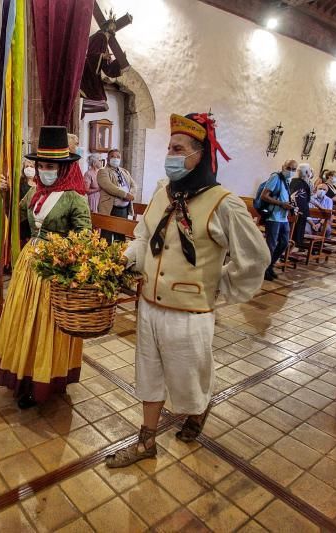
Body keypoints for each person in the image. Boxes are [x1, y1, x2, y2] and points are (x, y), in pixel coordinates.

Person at [105, 113, 269, 468]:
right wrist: (124, 260)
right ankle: (146, 442)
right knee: (149, 375)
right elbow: (145, 237)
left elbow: (254, 258)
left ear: (199, 155)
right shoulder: (163, 193)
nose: (170, 155)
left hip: (190, 313)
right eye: (169, 147)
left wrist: (220, 285)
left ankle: (199, 409)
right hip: (148, 304)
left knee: (189, 378)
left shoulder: (224, 203)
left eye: (178, 149)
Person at [0, 126, 91, 409]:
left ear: (62, 168)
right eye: (42, 165)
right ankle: (23, 375)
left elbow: (84, 237)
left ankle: (44, 379)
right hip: (28, 265)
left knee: (46, 324)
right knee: (25, 320)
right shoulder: (33, 194)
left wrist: (63, 259)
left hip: (54, 269)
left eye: (51, 166)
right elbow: (19, 222)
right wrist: (6, 195)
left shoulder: (74, 198)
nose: (45, 170)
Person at [260, 159, 296, 280]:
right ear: (283, 166)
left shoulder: (287, 180)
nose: (291, 171)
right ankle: (264, 270)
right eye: (289, 168)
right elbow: (264, 196)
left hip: (283, 218)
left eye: (293, 169)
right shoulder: (275, 177)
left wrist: (290, 206)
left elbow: (284, 197)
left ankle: (269, 266)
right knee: (271, 245)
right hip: (273, 217)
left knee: (284, 243)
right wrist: (281, 204)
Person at [97, 148, 137, 219]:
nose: (115, 158)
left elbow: (133, 185)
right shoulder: (102, 171)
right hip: (110, 209)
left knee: (122, 229)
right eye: (112, 156)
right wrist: (125, 195)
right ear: (107, 159)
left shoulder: (125, 171)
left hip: (125, 208)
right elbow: (108, 186)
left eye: (118, 157)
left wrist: (131, 194)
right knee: (108, 230)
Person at [290, 163, 313, 250]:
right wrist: (306, 215)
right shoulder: (302, 184)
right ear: (307, 172)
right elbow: (302, 201)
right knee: (296, 232)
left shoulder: (292, 181)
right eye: (310, 170)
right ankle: (295, 248)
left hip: (290, 211)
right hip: (298, 213)